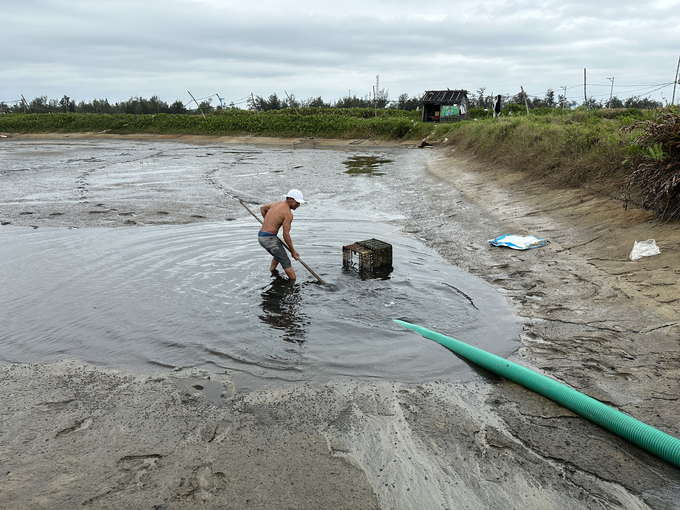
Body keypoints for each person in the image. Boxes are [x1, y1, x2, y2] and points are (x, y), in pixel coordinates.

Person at [258, 189, 305, 280]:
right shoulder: (288, 214)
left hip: (261, 236)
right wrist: (293, 251)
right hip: (269, 239)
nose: (298, 205)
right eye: (297, 202)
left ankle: (272, 270)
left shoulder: (277, 203)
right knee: (285, 261)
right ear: (290, 199)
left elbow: (263, 208)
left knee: (278, 254)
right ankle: (293, 281)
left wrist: (267, 223)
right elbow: (286, 235)